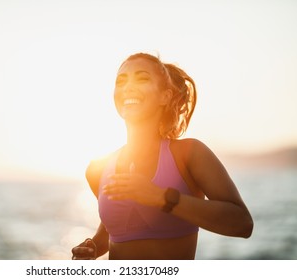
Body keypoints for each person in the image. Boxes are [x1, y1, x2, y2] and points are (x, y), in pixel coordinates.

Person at [71, 52, 253, 260]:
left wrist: (160, 197)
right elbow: (116, 230)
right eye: (121, 81)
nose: (128, 87)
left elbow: (242, 223)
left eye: (142, 78)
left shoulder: (189, 154)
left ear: (165, 96)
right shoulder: (97, 169)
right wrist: (93, 246)